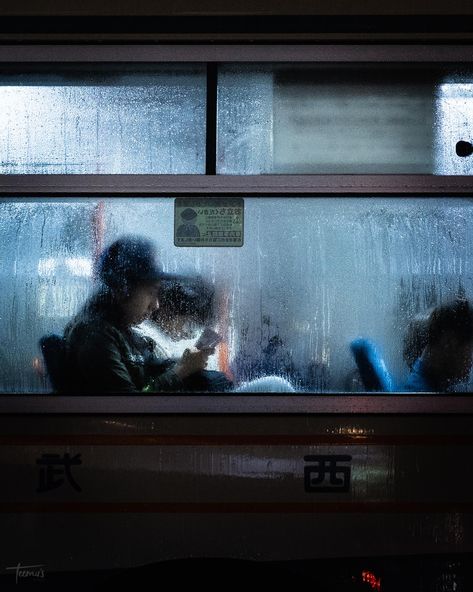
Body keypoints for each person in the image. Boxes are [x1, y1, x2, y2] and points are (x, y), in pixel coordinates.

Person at [64, 236, 218, 394]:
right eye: (151, 292)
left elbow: (150, 372)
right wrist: (182, 370)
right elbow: (130, 405)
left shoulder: (122, 331)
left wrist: (187, 362)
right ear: (124, 288)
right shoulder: (95, 336)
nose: (155, 305)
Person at [405, 299, 473, 392]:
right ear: (450, 342)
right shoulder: (424, 399)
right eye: (471, 348)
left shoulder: (431, 387)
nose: (471, 361)